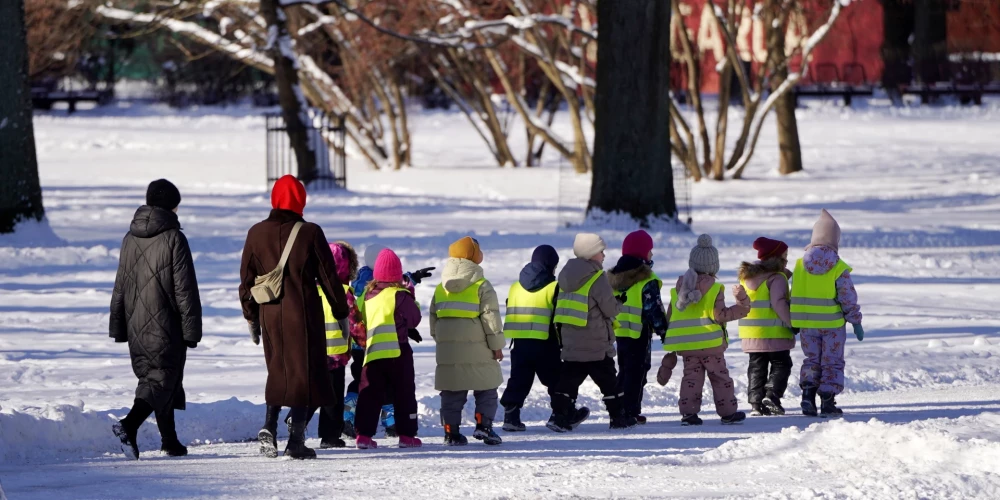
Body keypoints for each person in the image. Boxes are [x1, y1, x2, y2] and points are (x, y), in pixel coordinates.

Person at [238, 175, 348, 459]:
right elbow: (328, 277)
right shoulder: (310, 232)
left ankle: (269, 426)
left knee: (278, 369)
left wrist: (251, 317)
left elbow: (246, 281)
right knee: (305, 374)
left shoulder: (255, 233)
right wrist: (341, 313)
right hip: (304, 314)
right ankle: (296, 441)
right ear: (301, 200)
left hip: (270, 314)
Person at [110, 179, 202, 460]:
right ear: (172, 205)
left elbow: (120, 284)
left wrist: (118, 324)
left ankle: (170, 441)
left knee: (156, 379)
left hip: (136, 321)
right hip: (167, 323)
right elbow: (185, 289)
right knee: (163, 379)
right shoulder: (174, 238)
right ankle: (129, 425)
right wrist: (191, 330)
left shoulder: (130, 238)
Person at [657, 234, 749, 426]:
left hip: (687, 347)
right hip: (710, 345)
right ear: (714, 267)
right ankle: (727, 413)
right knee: (720, 378)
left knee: (691, 379)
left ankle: (688, 415)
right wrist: (742, 303)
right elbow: (720, 315)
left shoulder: (677, 290)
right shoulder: (715, 289)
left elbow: (670, 318)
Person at [549, 233, 636, 432]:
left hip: (572, 340)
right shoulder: (597, 278)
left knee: (569, 380)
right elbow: (610, 310)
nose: (604, 256)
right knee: (609, 381)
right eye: (601, 252)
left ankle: (560, 415)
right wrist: (619, 303)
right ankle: (618, 417)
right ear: (590, 254)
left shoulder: (564, 277)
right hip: (595, 341)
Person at [345, 245, 433, 438]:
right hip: (396, 350)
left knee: (369, 390)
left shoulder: (364, 289)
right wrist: (410, 294)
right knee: (401, 392)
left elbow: (357, 318)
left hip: (370, 350)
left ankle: (363, 434)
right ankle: (404, 433)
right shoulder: (399, 295)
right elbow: (413, 318)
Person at [431, 237, 505, 446]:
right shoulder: (482, 285)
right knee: (487, 386)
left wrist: (444, 342)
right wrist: (496, 346)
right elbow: (491, 318)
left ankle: (450, 431)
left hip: (449, 350)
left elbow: (433, 319)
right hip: (479, 347)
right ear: (473, 256)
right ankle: (484, 425)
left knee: (452, 391)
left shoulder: (440, 287)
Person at [791, 209, 864, 417]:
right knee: (832, 361)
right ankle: (827, 401)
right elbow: (847, 296)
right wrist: (855, 320)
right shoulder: (838, 267)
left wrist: (793, 319)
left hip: (806, 325)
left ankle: (807, 395)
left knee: (812, 359)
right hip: (832, 326)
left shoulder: (799, 265)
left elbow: (794, 293)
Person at [499, 245, 565, 432]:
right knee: (555, 380)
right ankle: (560, 415)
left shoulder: (515, 287)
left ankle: (511, 416)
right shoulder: (554, 287)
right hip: (546, 342)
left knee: (519, 379)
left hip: (520, 342)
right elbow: (558, 316)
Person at [608, 230, 667, 425]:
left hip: (618, 332)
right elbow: (654, 310)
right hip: (638, 333)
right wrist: (664, 332)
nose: (652, 255)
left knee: (624, 371)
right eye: (650, 251)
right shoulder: (646, 279)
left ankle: (621, 408)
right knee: (637, 372)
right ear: (643, 254)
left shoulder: (614, 277)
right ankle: (628, 411)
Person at [737, 237, 795, 416]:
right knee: (781, 363)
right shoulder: (776, 278)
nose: (787, 259)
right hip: (775, 332)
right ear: (777, 258)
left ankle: (755, 403)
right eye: (784, 256)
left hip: (751, 333)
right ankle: (772, 395)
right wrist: (792, 323)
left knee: (756, 366)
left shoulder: (746, 277)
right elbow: (779, 303)